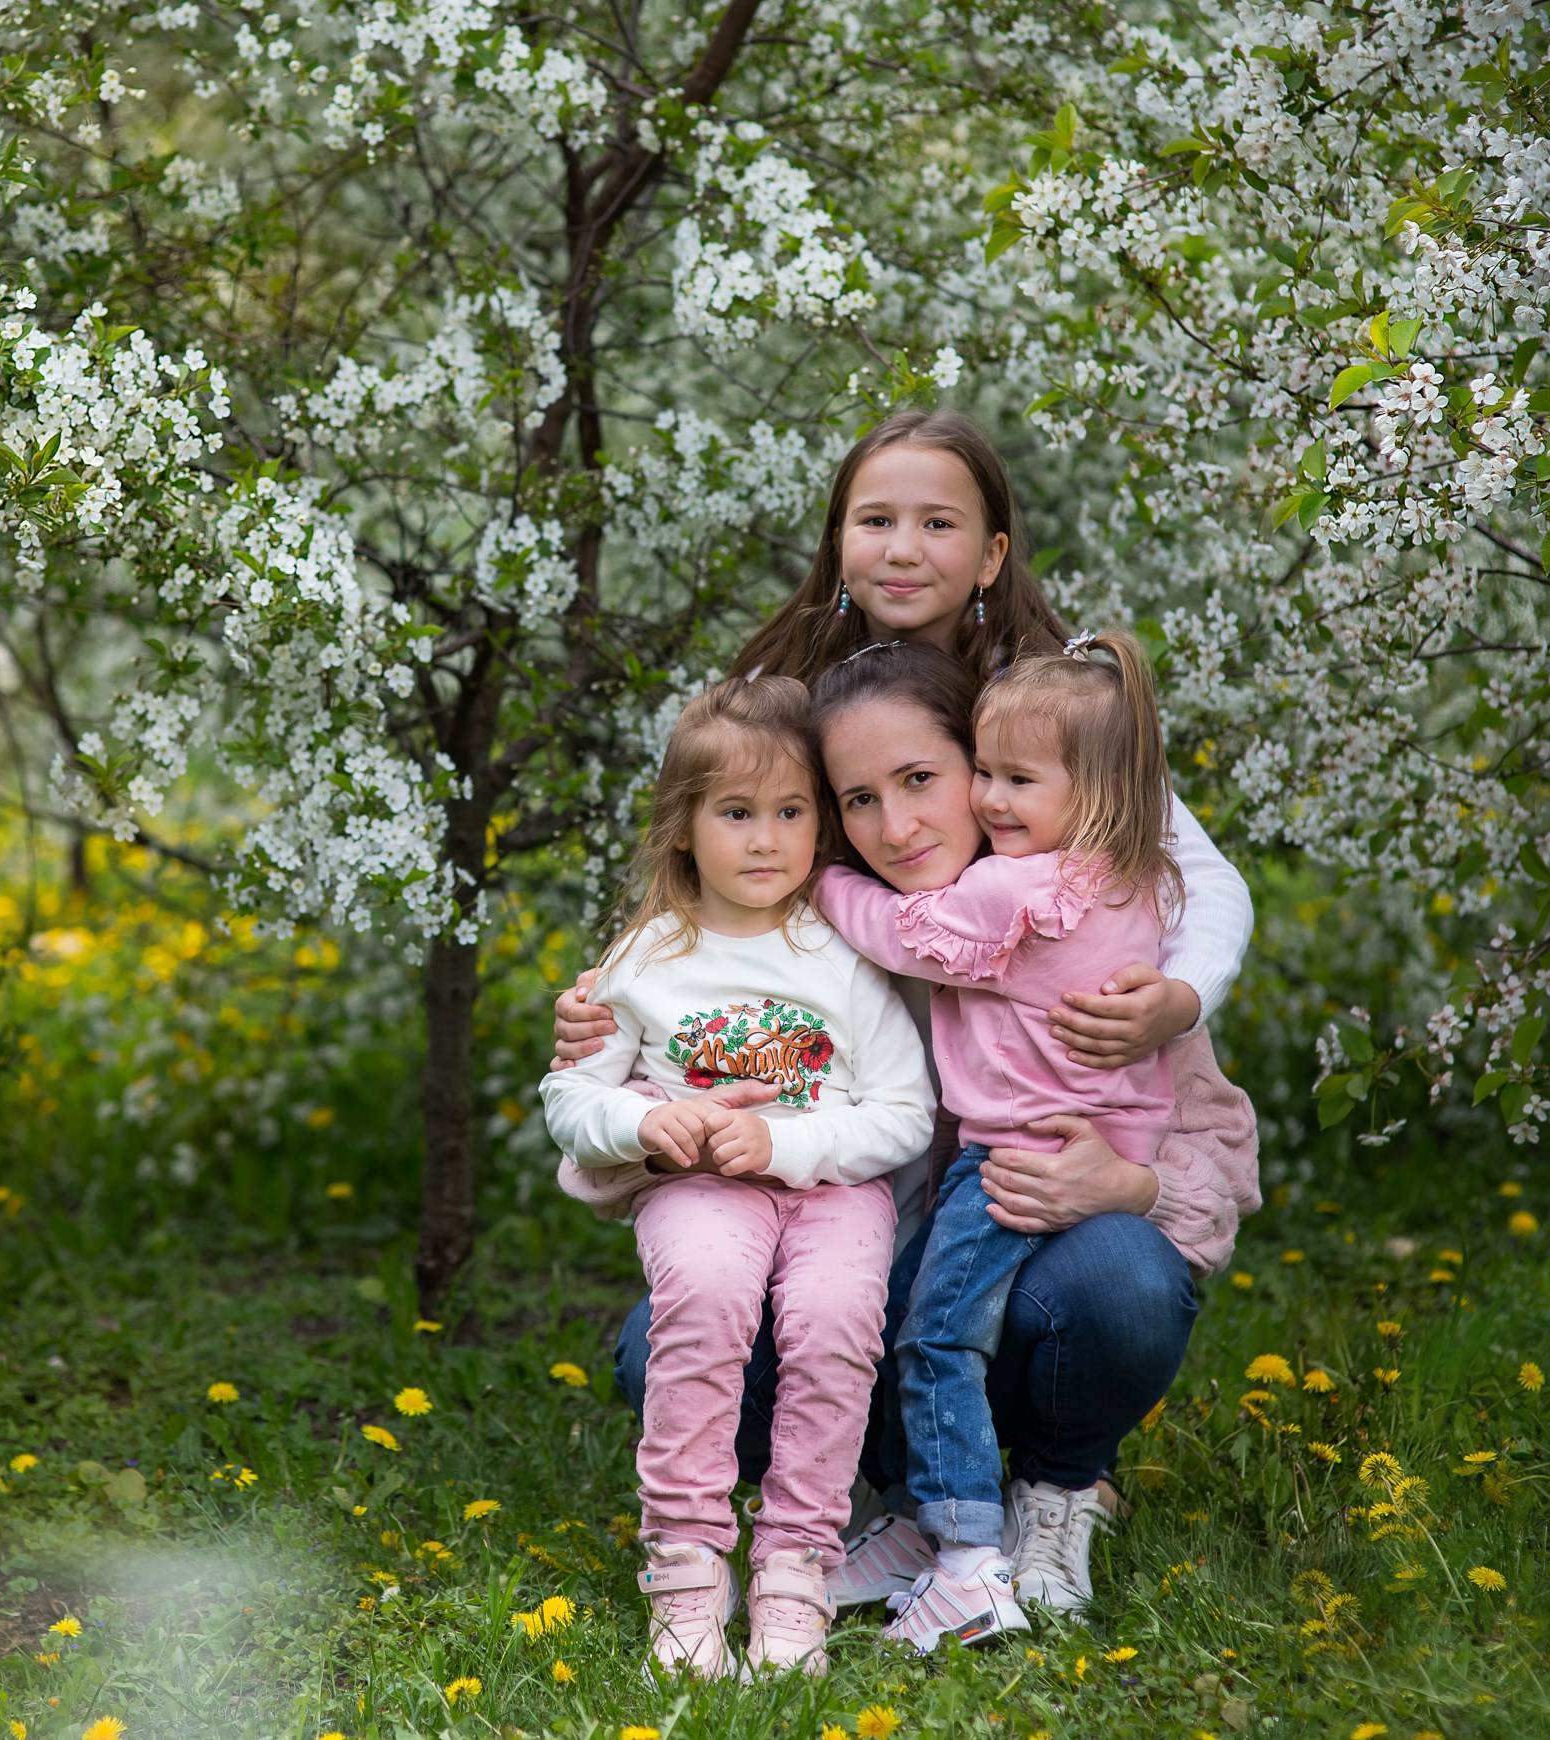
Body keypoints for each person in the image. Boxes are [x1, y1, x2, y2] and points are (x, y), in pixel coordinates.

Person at [553, 411, 1258, 1619]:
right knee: (669, 1342)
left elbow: (1205, 881)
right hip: (854, 1177)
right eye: (874, 519)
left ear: (993, 553)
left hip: (1028, 1157)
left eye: (939, 522)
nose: (902, 548)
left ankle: (1055, 1485)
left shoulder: (1050, 742)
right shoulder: (804, 720)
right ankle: (883, 1499)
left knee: (1118, 1283)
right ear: (834, 542)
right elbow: (717, 876)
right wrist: (616, 1020)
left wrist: (1174, 1009)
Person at [539, 676, 938, 1680]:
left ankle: (796, 1576)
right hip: (699, 1188)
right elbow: (572, 1103)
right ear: (684, 828)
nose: (766, 840)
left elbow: (902, 1113)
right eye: (737, 814)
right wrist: (647, 1117)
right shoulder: (646, 958)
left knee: (839, 1323)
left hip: (832, 1193)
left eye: (791, 813)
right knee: (706, 1308)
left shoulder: (843, 956)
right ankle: (685, 1578)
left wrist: (789, 1147)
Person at [811, 631, 1180, 1652]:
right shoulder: (1132, 878)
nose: (995, 803)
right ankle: (906, 1528)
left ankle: (965, 1555)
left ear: (1094, 789)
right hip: (1095, 1132)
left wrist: (822, 882)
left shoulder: (1014, 890)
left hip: (1014, 1153)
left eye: (1018, 780)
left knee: (934, 1336)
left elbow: (902, 932)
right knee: (917, 1302)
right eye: (994, 775)